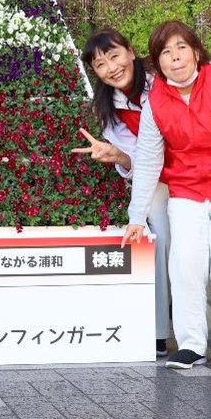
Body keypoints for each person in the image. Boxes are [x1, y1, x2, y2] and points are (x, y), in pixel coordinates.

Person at [123, 21, 211, 374]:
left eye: (181, 48)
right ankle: (191, 345)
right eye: (165, 52)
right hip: (187, 192)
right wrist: (136, 215)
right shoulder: (157, 100)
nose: (175, 57)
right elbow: (149, 158)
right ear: (157, 64)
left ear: (196, 52)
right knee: (185, 267)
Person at [74, 29, 171, 357]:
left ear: (131, 51)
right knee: (159, 245)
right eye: (100, 65)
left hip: (200, 176)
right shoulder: (110, 109)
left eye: (114, 56)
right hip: (159, 182)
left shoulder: (162, 83)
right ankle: (159, 331)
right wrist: (118, 156)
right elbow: (139, 161)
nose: (110, 68)